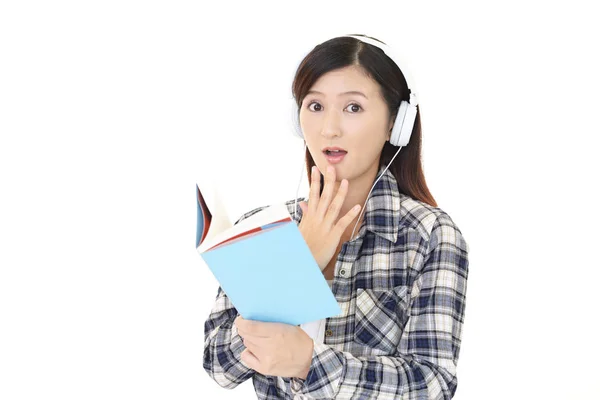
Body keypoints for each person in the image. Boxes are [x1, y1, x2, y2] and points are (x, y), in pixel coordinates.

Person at [202, 33, 470, 399]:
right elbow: (219, 365)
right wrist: (301, 264)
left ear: (397, 123)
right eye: (315, 106)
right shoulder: (262, 227)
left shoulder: (429, 235)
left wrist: (308, 363)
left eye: (353, 108)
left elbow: (431, 384)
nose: (329, 129)